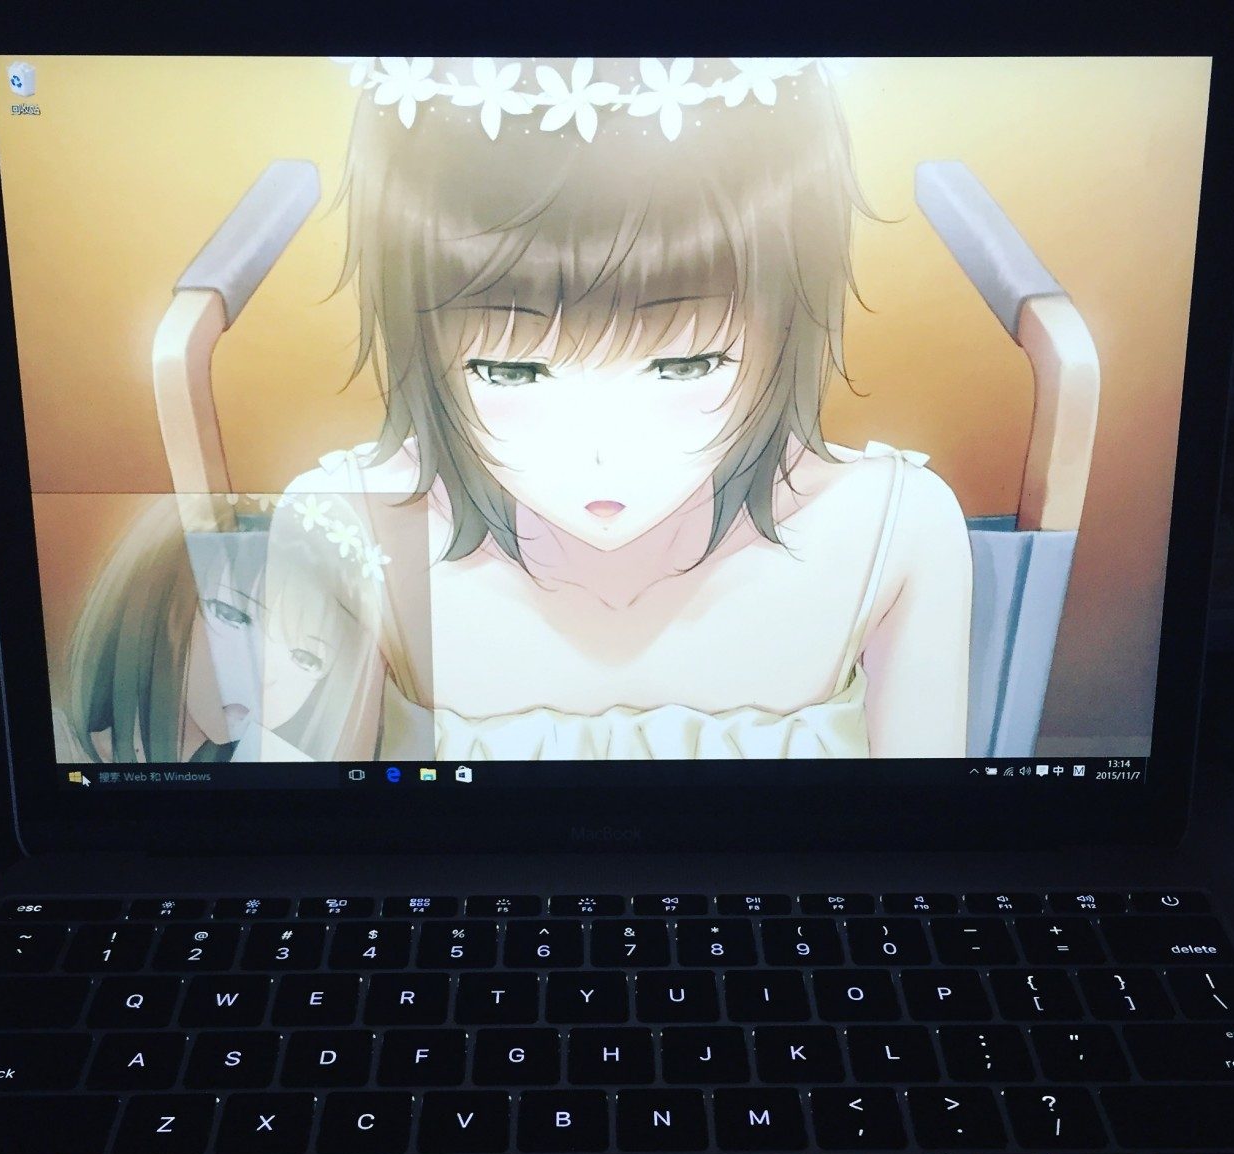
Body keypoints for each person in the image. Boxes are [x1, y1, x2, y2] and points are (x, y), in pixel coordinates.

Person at [286, 55, 972, 759]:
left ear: (787, 325)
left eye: (686, 366)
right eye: (511, 371)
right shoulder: (345, 529)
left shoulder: (892, 528)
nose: (600, 455)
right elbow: (289, 819)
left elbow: (936, 820)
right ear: (422, 342)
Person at [53, 494, 385, 763]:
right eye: (230, 614)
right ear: (165, 599)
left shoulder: (285, 774)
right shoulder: (62, 749)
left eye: (306, 657)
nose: (264, 673)